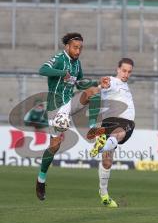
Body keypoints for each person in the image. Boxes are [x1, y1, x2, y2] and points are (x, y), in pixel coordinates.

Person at [36, 32, 108, 200]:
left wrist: (98, 83)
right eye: (75, 47)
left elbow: (80, 83)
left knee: (94, 93)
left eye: (80, 48)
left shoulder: (77, 64)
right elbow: (42, 69)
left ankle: (92, 130)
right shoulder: (60, 59)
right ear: (67, 46)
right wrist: (62, 73)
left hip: (70, 103)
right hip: (56, 107)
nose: (78, 51)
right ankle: (41, 180)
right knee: (54, 146)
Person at [87, 58, 135, 207]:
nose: (126, 74)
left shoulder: (124, 85)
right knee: (116, 140)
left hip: (112, 123)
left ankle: (103, 194)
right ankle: (101, 146)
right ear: (118, 69)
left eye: (129, 71)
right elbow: (104, 84)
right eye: (124, 70)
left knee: (108, 161)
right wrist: (101, 86)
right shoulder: (113, 81)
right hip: (118, 122)